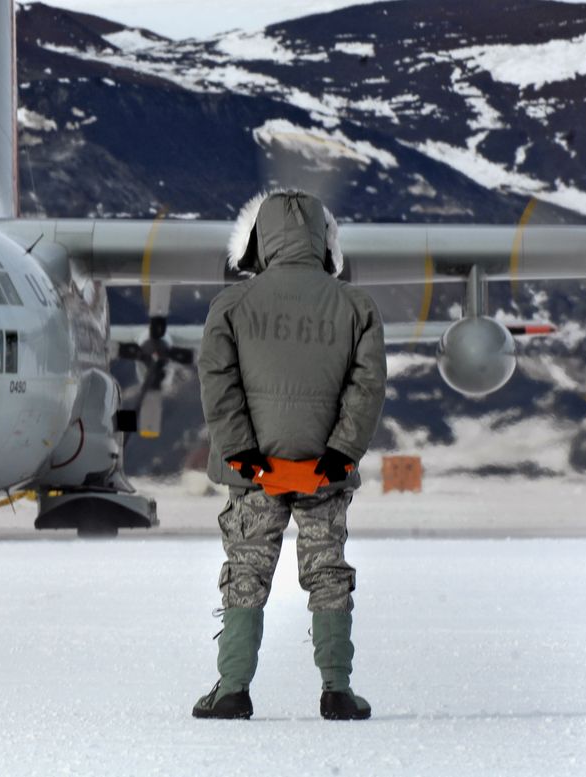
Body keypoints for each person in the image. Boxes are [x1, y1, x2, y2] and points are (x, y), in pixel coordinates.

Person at [192, 189, 387, 721]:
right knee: (328, 571)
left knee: (246, 570)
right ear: (325, 242)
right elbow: (366, 388)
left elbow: (218, 383)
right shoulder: (357, 307)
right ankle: (337, 691)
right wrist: (341, 453)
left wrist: (242, 454)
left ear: (258, 240)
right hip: (325, 472)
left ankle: (231, 689)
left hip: (255, 474)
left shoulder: (230, 306)